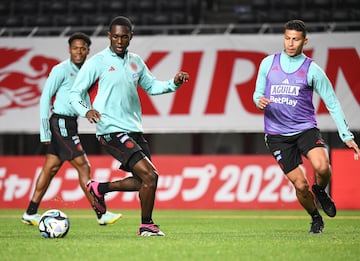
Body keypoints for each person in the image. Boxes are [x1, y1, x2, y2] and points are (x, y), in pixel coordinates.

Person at [69, 16, 189, 236]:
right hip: (111, 130)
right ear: (109, 36)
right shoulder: (97, 62)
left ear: (130, 36)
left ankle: (99, 189)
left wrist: (174, 83)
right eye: (115, 36)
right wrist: (86, 110)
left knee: (145, 181)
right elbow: (74, 94)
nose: (120, 40)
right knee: (151, 176)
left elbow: (152, 86)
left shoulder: (136, 61)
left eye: (124, 36)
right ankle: (147, 225)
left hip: (134, 129)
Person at [253, 20, 360, 234]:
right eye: (287, 38)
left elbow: (332, 102)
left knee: (322, 167)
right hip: (277, 135)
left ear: (304, 41)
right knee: (300, 186)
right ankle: (315, 218)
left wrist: (346, 135)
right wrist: (259, 100)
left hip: (305, 129)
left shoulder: (312, 70)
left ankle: (320, 190)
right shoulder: (268, 63)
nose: (290, 43)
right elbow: (257, 93)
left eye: (295, 39)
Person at [22, 32, 122, 226]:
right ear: (69, 49)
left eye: (83, 48)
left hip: (70, 124)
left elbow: (85, 99)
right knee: (84, 166)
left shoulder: (88, 72)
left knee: (50, 168)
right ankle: (101, 213)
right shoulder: (60, 70)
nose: (79, 51)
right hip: (60, 122)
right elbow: (45, 98)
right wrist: (44, 131)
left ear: (87, 51)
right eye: (75, 48)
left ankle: (30, 212)